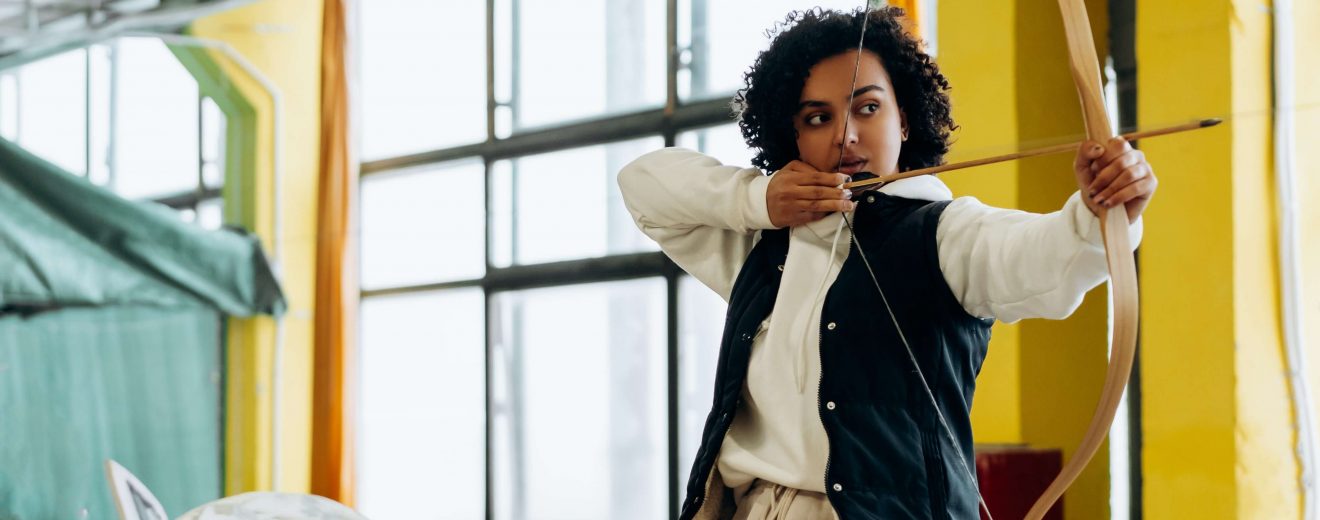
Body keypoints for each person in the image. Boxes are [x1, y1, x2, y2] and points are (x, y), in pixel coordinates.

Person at [617, 7, 1155, 520]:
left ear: (905, 121)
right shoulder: (763, 245)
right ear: (793, 137)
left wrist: (1099, 212)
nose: (845, 135)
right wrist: (758, 199)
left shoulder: (944, 233)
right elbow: (642, 185)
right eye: (817, 118)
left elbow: (1043, 257)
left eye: (867, 108)